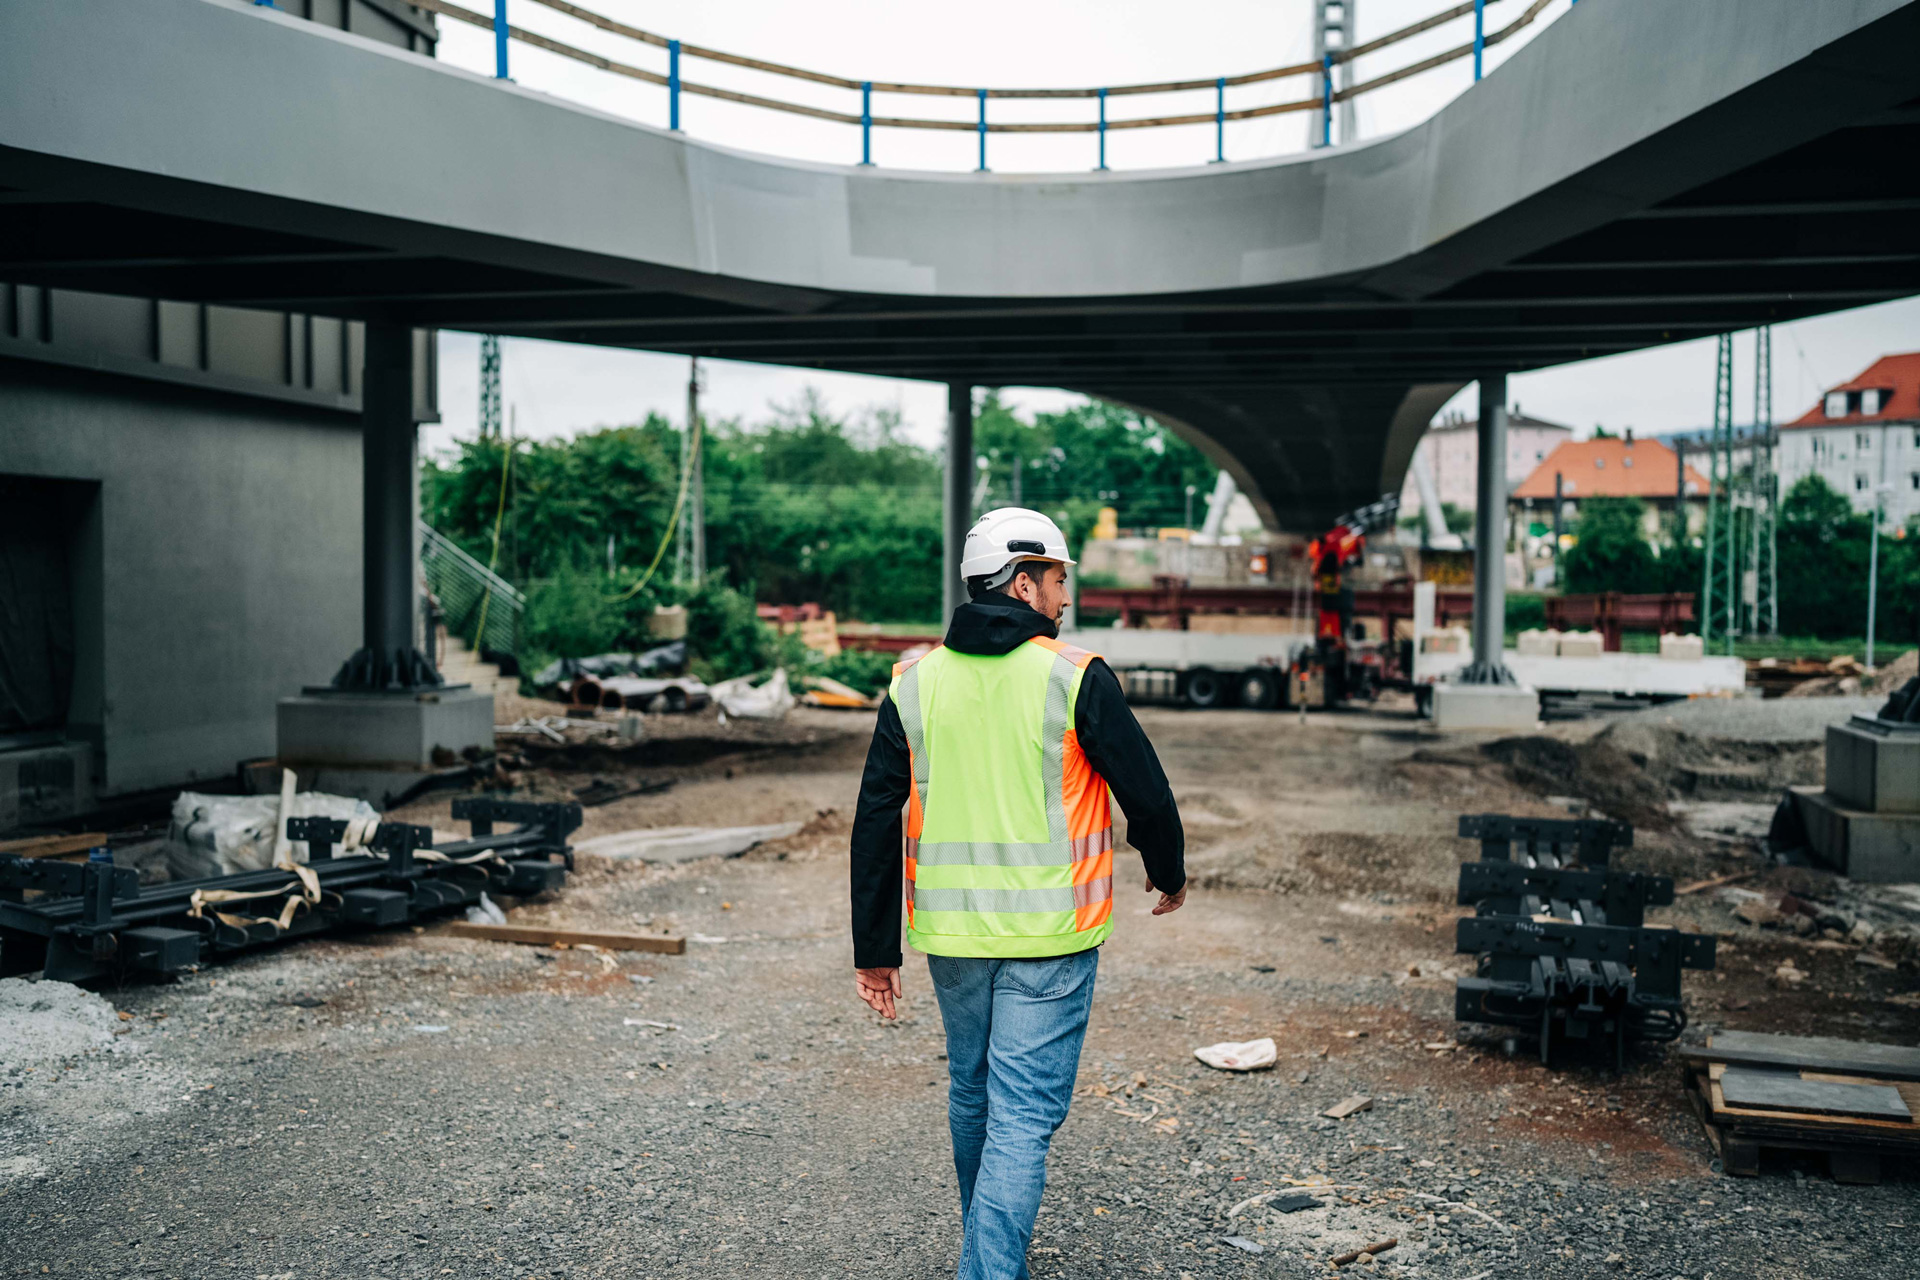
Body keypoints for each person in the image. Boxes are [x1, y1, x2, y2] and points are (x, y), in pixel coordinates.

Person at [848, 507, 1185, 1280]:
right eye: (1060, 580)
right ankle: (987, 1271)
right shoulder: (1073, 675)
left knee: (974, 1094)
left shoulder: (914, 682)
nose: (1066, 598)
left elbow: (874, 815)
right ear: (1024, 580)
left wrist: (875, 951)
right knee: (1024, 1116)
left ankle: (985, 1250)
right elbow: (1149, 795)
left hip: (954, 939)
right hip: (1051, 937)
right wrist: (1167, 870)